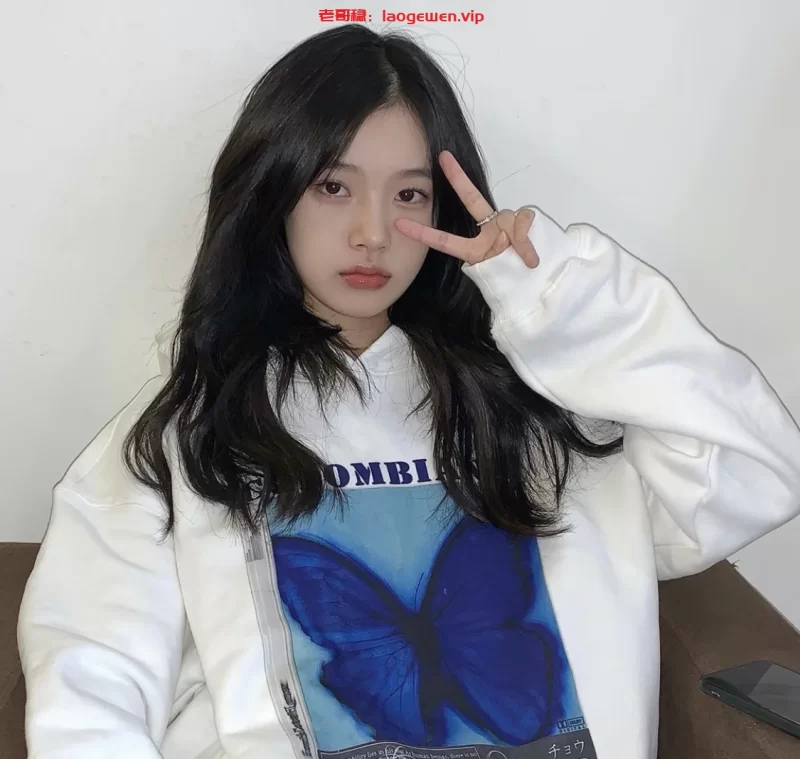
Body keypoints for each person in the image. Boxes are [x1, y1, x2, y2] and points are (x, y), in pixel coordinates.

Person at [17, 22, 800, 759]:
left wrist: (556, 300)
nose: (373, 232)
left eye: (409, 195)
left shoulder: (536, 415)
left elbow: (756, 476)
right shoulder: (190, 434)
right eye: (333, 186)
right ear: (272, 194)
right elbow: (89, 674)